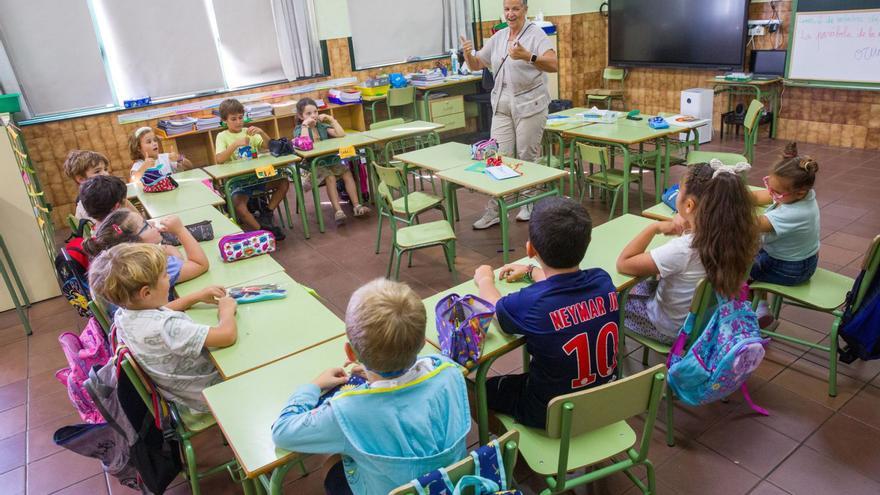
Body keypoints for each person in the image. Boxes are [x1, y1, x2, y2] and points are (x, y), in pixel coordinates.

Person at [271, 278, 470, 495]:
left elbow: (282, 432)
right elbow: (431, 363)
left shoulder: (346, 412)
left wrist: (313, 385)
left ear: (350, 353)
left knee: (331, 461)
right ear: (422, 341)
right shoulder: (450, 373)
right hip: (448, 486)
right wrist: (375, 372)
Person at [473, 197, 619, 428]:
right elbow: (565, 286)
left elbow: (496, 311)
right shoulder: (603, 280)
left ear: (530, 249)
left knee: (476, 390)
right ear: (588, 241)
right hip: (604, 399)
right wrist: (533, 272)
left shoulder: (532, 303)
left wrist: (484, 280)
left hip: (551, 414)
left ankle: (513, 448)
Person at [617, 162, 759, 344]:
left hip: (670, 329)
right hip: (705, 322)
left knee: (614, 299)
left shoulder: (684, 249)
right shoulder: (739, 237)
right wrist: (690, 220)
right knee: (643, 286)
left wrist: (654, 227)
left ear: (689, 205)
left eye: (679, 190)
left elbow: (624, 262)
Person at [88, 243, 237, 414]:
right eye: (165, 275)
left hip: (179, 391)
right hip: (209, 392)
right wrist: (226, 310)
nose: (169, 278)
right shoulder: (167, 327)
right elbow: (227, 336)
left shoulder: (123, 314)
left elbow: (160, 313)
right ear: (146, 293)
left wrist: (196, 296)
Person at [461, 0, 558, 229]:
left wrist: (528, 56)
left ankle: (528, 204)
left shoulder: (536, 34)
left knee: (526, 156)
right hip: (502, 105)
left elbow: (553, 64)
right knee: (497, 157)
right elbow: (477, 64)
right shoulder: (498, 37)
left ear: (525, 10)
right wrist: (467, 54)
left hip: (530, 104)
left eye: (515, 9)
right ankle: (495, 210)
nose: (510, 14)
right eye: (507, 9)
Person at [751, 153, 820, 327]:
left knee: (736, 268)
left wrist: (720, 206)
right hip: (798, 259)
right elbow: (758, 197)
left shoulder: (796, 212)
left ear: (800, 192)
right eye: (768, 185)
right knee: (751, 252)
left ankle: (756, 311)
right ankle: (759, 306)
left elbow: (749, 224)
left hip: (791, 268)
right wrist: (732, 196)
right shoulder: (799, 195)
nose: (771, 194)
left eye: (777, 192)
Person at [83, 208, 210, 296]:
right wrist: (180, 230)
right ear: (134, 245)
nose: (153, 223)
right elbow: (200, 264)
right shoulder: (149, 265)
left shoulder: (118, 266)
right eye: (145, 225)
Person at [214, 98, 288, 239]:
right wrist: (235, 144)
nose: (238, 122)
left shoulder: (249, 131)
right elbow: (219, 159)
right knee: (239, 205)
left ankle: (267, 212)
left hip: (259, 176)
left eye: (241, 118)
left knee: (284, 182)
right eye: (233, 119)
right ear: (225, 120)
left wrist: (261, 132)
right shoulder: (222, 136)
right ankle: (263, 231)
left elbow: (269, 146)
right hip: (238, 182)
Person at [294, 98, 370, 224]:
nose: (313, 115)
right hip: (312, 165)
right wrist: (305, 125)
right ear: (300, 116)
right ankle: (338, 211)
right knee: (330, 177)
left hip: (329, 161)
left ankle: (357, 206)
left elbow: (341, 134)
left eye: (315, 112)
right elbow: (304, 143)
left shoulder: (322, 126)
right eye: (308, 114)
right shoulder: (299, 129)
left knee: (347, 173)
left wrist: (331, 119)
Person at [63, 150, 133, 224]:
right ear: (81, 179)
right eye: (97, 171)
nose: (105, 174)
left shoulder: (105, 195)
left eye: (105, 169)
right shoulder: (92, 204)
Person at [128, 126, 192, 182]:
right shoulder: (139, 165)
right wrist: (144, 168)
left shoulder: (166, 157)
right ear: (138, 148)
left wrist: (179, 158)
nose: (154, 143)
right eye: (149, 142)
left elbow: (190, 166)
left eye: (155, 140)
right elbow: (133, 182)